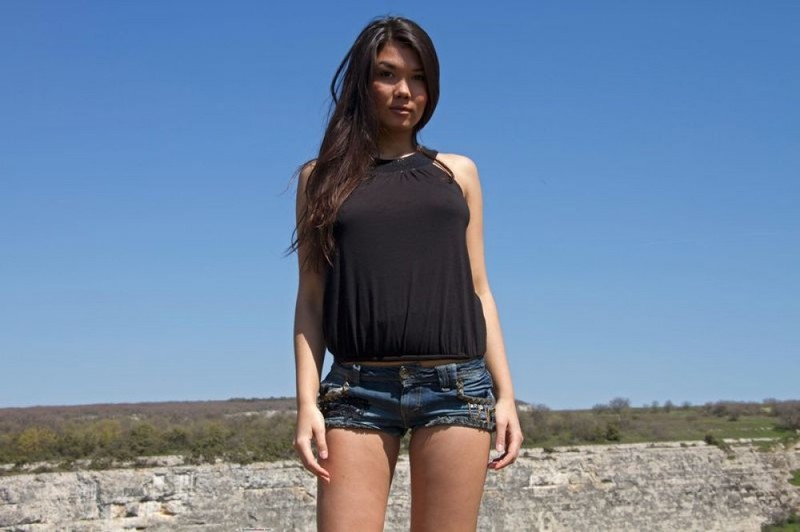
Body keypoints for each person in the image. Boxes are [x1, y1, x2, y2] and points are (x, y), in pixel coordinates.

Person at [288, 15, 523, 532]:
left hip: (456, 388)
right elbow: (311, 298)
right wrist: (306, 404)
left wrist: (506, 395)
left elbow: (479, 289)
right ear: (362, 82)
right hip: (356, 391)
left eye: (418, 78)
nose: (404, 91)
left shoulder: (457, 174)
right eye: (388, 74)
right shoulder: (320, 179)